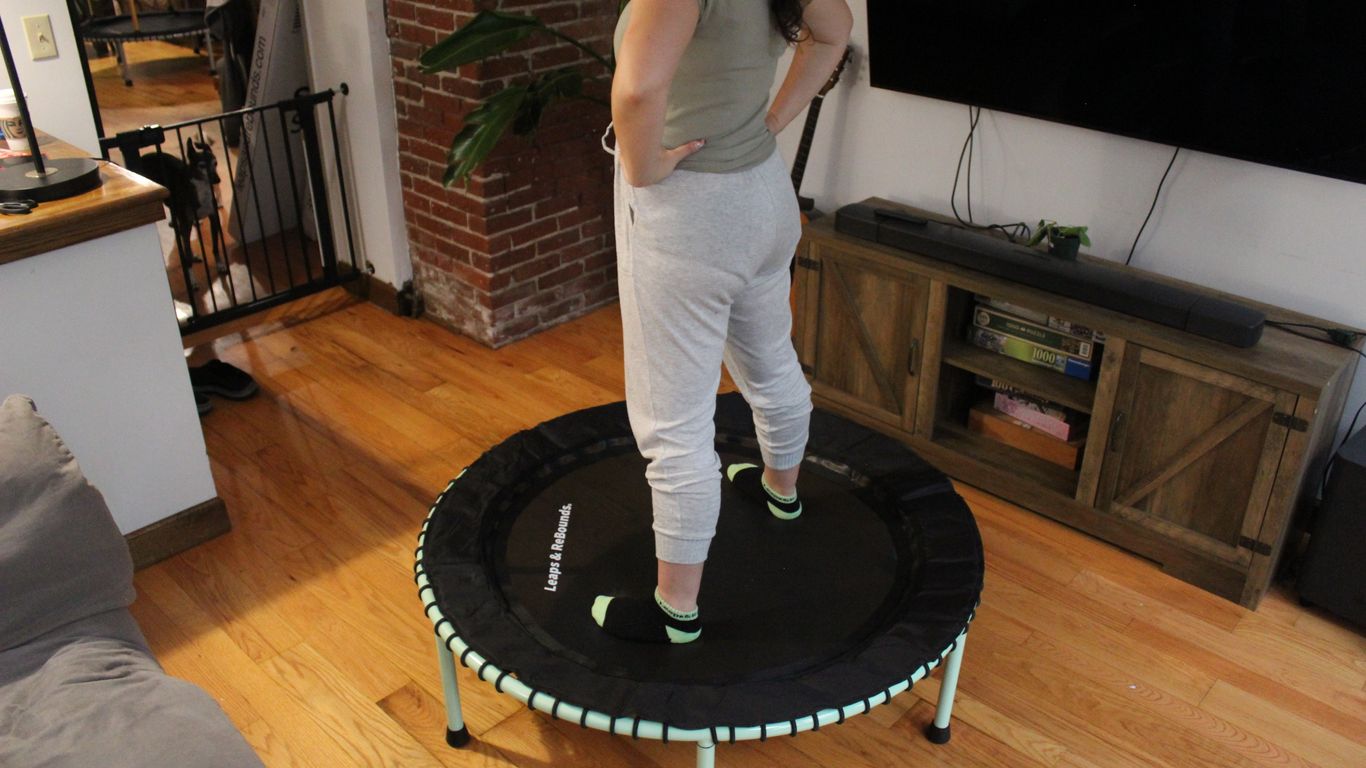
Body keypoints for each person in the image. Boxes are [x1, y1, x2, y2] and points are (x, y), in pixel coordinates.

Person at [592, 0, 853, 644]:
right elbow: (834, 31)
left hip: (690, 217)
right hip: (763, 194)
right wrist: (766, 123)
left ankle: (676, 611)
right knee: (769, 355)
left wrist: (643, 166)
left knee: (672, 421)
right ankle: (781, 492)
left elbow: (640, 85)